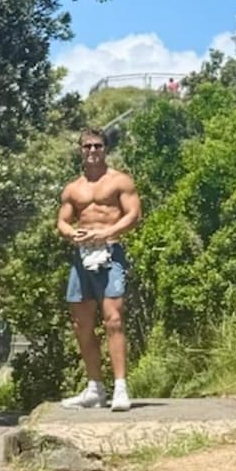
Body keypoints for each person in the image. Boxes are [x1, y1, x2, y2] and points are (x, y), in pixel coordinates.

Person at [56, 127, 142, 411]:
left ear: (105, 149)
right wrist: (71, 234)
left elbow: (134, 215)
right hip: (83, 255)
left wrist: (108, 232)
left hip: (110, 252)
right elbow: (63, 222)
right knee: (81, 323)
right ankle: (95, 388)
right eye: (88, 146)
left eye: (98, 146)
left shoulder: (120, 181)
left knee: (113, 319)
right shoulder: (73, 188)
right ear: (81, 150)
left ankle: (120, 387)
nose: (93, 151)